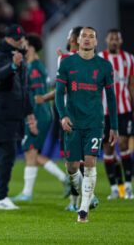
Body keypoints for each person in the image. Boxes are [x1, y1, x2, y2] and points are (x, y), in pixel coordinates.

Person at [55, 27, 118, 222]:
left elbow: (111, 97)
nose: (88, 39)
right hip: (73, 122)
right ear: (78, 40)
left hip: (94, 123)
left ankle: (83, 210)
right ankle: (88, 196)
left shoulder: (105, 66)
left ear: (96, 42)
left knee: (90, 164)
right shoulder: (67, 63)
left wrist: (114, 126)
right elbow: (58, 93)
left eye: (92, 36)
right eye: (84, 36)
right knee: (72, 167)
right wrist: (63, 116)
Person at [36, 26, 99, 212]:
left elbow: (63, 88)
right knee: (77, 162)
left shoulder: (65, 59)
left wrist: (44, 98)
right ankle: (76, 201)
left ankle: (84, 199)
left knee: (72, 162)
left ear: (73, 38)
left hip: (70, 116)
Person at [0, 24, 38, 210]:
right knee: (8, 155)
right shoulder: (2, 55)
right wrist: (13, 65)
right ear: (7, 39)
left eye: (21, 38)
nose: (21, 41)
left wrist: (29, 114)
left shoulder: (20, 55)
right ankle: (2, 198)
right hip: (2, 113)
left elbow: (24, 88)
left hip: (14, 113)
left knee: (3, 156)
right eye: (16, 38)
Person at [11, 34, 68, 202]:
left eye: (25, 45)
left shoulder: (34, 67)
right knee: (31, 152)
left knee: (30, 151)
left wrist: (32, 118)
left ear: (32, 48)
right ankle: (65, 179)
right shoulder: (33, 65)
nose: (23, 47)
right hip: (38, 113)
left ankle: (28, 193)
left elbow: (39, 96)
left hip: (38, 114)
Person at [98, 29, 134, 199]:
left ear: (120, 41)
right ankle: (114, 188)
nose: (113, 41)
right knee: (108, 147)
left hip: (124, 109)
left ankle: (127, 187)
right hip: (104, 111)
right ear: (106, 40)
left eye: (116, 39)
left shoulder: (129, 59)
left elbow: (132, 85)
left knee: (124, 144)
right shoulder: (99, 58)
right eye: (111, 38)